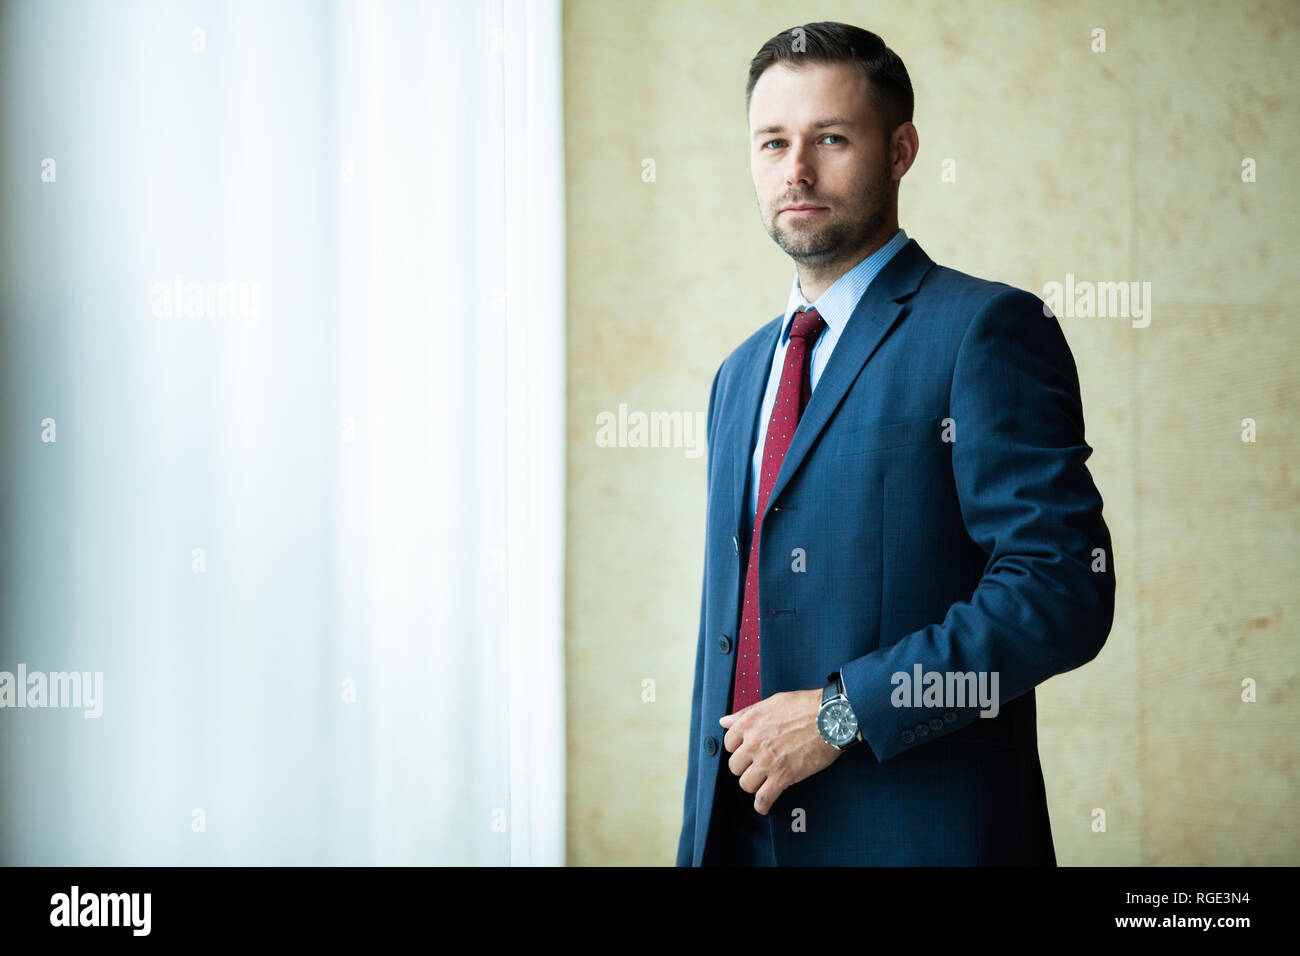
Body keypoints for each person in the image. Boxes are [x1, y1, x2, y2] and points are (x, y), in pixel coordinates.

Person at [676, 22, 1116, 866]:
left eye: (830, 138)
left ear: (902, 149)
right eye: (773, 142)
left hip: (914, 839)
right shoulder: (739, 377)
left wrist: (842, 713)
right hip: (733, 839)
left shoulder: (984, 330)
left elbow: (1061, 593)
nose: (795, 170)